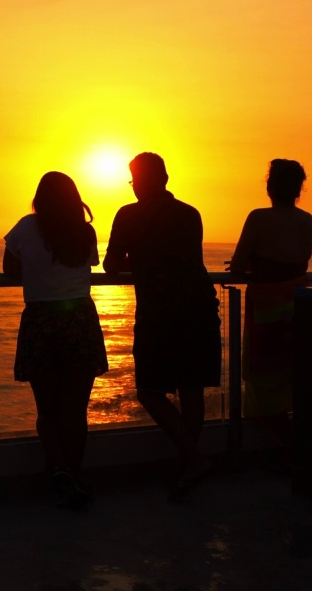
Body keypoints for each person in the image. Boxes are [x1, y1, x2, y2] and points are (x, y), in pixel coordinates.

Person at [103, 152, 221, 501]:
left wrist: (134, 257)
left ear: (142, 181)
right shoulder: (189, 214)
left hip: (159, 313)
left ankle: (194, 460)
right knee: (191, 389)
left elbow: (111, 265)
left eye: (134, 180)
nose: (134, 186)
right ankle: (190, 464)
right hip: (199, 308)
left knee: (150, 391)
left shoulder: (128, 216)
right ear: (166, 178)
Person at [2, 172, 108, 510]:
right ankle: (73, 475)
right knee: (75, 412)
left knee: (47, 410)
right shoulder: (85, 231)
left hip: (41, 321)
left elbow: (8, 270)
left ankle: (59, 470)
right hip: (79, 318)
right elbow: (89, 264)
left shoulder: (25, 227)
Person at [228, 160, 312, 466]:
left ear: (270, 186)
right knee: (293, 375)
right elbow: (298, 262)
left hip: (267, 307)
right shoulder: (308, 221)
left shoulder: (259, 218)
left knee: (263, 379)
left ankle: (296, 453)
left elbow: (239, 265)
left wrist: (250, 265)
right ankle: (302, 450)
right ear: (298, 189)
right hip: (300, 302)